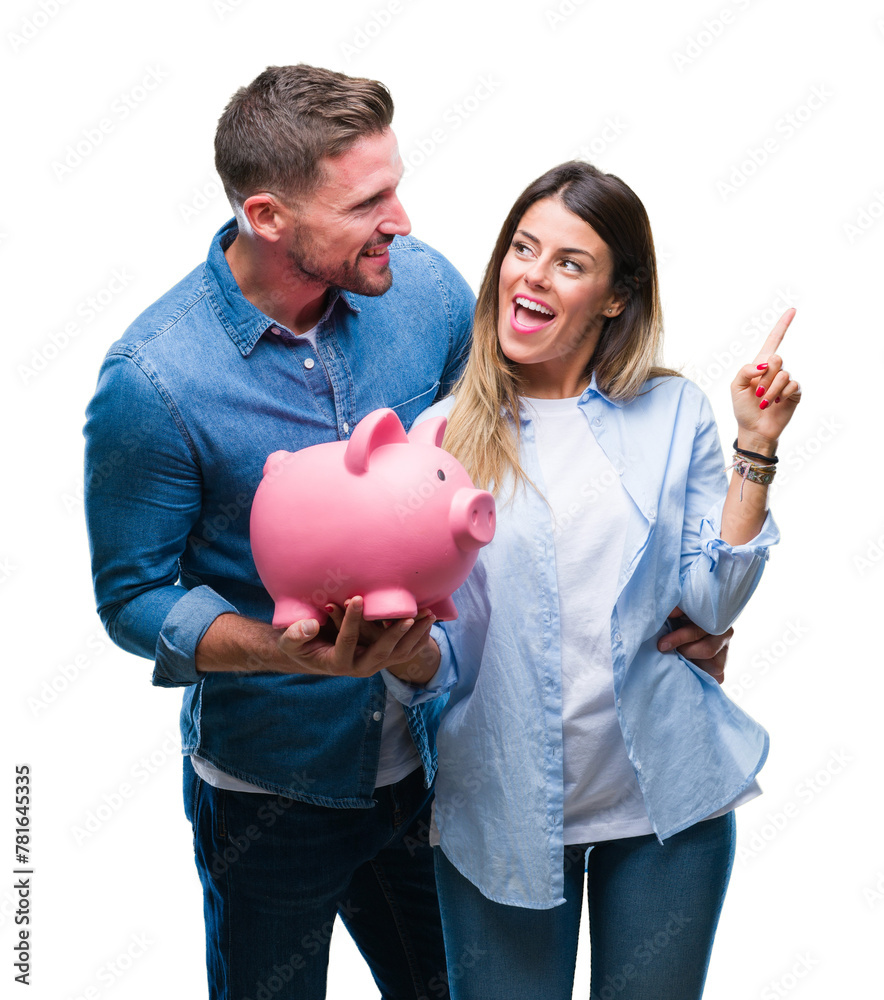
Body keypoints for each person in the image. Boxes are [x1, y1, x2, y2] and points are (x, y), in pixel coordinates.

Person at [84, 65, 735, 999]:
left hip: (438, 769)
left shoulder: (421, 292)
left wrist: (678, 608)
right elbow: (132, 598)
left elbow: (529, 473)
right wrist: (285, 652)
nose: (405, 219)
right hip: (275, 790)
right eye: (368, 201)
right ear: (269, 217)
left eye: (396, 184)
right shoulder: (153, 382)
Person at [381, 161, 801, 1000]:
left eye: (569, 262)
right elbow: (444, 669)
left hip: (664, 809)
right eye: (523, 248)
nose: (532, 274)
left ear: (616, 297)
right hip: (498, 808)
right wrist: (403, 651)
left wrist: (757, 446)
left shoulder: (673, 412)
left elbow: (711, 602)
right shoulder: (441, 439)